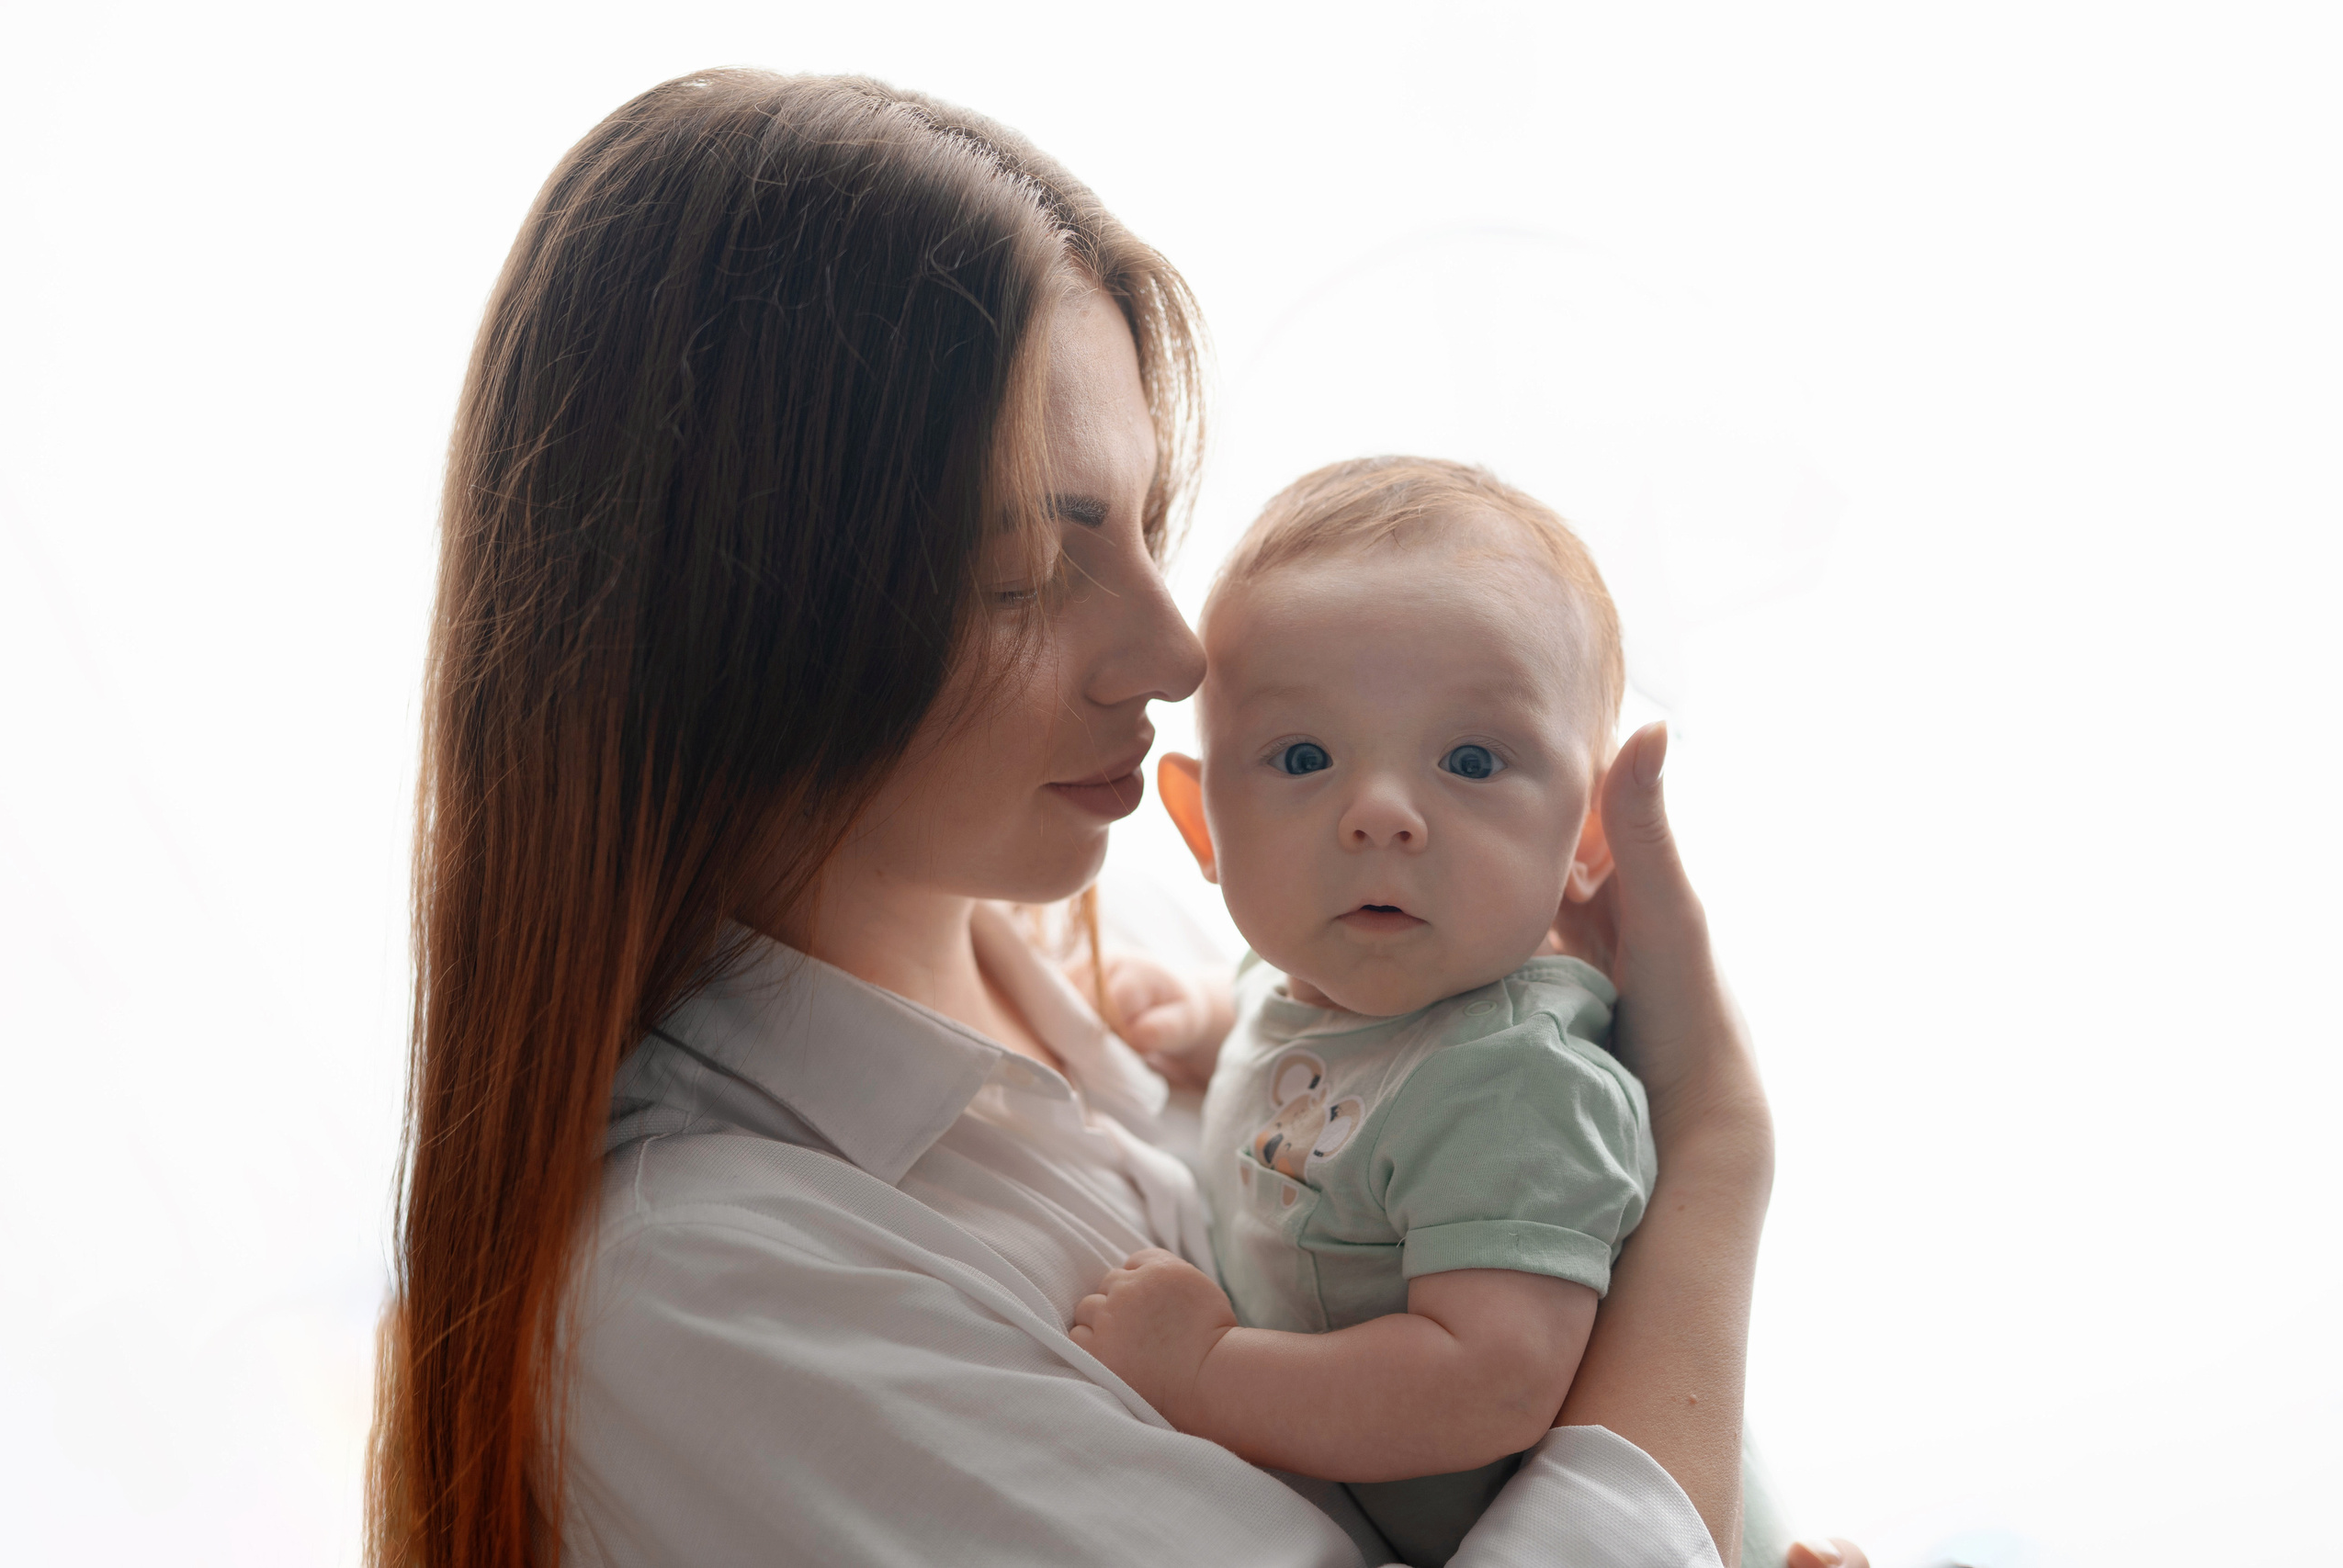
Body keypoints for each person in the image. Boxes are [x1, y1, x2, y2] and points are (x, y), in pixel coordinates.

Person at [368, 67, 1866, 1568]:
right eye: (1031, 566)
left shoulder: (1173, 953)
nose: (1178, 652)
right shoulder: (700, 1292)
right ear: (740, 614)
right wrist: (1715, 1148)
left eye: (1150, 526)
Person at [1066, 457, 1791, 1568]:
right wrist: (1210, 1023)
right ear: (1205, 824)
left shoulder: (1516, 1084)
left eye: (1469, 759)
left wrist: (1207, 1370)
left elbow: (1487, 1382)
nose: (1380, 813)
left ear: (1588, 837)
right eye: (1303, 756)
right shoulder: (1310, 979)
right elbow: (1310, 1060)